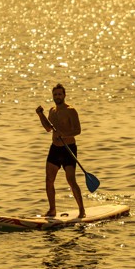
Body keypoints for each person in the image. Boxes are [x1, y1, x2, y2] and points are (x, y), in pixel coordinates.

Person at [35, 83, 86, 218]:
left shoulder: (71, 110)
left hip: (68, 149)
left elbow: (77, 130)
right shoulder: (52, 111)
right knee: (49, 180)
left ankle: (82, 210)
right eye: (55, 94)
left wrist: (63, 134)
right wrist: (40, 115)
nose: (57, 96)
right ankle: (52, 210)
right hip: (55, 149)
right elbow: (48, 128)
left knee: (71, 180)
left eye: (59, 94)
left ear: (64, 95)